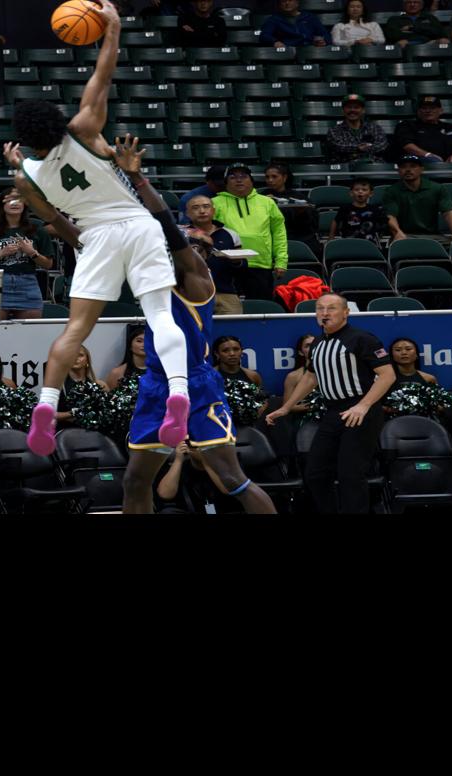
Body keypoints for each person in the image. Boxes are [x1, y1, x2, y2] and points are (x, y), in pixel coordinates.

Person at [5, 0, 193, 457]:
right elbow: (102, 78)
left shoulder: (25, 177)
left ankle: (46, 404)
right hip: (138, 226)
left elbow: (53, 220)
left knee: (75, 330)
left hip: (95, 235)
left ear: (25, 138)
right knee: (161, 316)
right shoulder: (84, 129)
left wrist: (20, 168)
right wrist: (112, 28)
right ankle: (179, 393)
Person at [111, 136, 276, 515]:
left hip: (196, 383)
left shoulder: (197, 279)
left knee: (232, 479)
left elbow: (167, 227)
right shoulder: (158, 280)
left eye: (188, 247)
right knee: (134, 481)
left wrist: (138, 180)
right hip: (157, 383)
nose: (174, 251)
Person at [265, 292, 395, 514]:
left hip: (360, 411)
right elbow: (311, 377)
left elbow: (387, 375)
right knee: (315, 473)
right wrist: (286, 407)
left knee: (351, 474)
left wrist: (363, 405)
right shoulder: (317, 343)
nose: (325, 313)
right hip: (333, 412)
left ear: (346, 312)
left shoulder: (362, 338)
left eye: (331, 308)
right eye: (320, 308)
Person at [0, 189, 57, 320]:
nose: (14, 203)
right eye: (9, 200)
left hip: (27, 284)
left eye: (18, 199)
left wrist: (32, 252)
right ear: (1, 205)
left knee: (30, 331)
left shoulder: (37, 230)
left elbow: (48, 264)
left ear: (25, 204)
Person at [212, 163, 286, 304]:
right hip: (226, 265)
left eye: (243, 176)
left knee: (260, 308)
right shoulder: (213, 203)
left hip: (260, 264)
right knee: (229, 309)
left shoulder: (267, 203)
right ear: (226, 182)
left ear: (251, 181)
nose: (239, 180)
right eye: (233, 177)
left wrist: (281, 261)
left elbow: (279, 233)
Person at [182, 194, 243, 314]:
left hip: (225, 293)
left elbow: (242, 266)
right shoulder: (181, 235)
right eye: (195, 207)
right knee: (194, 325)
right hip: (191, 293)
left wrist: (237, 261)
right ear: (187, 213)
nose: (202, 211)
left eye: (206, 206)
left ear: (213, 211)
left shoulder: (230, 234)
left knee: (233, 325)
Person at [382, 154, 452, 239]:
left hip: (432, 235)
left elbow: (448, 212)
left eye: (413, 166)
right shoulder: (391, 191)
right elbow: (391, 216)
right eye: (403, 167)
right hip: (404, 235)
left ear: (421, 169)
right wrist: (398, 233)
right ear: (399, 171)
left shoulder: (437, 188)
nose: (408, 170)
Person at [390, 95, 452, 164]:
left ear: (440, 111)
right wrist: (428, 155)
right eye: (424, 108)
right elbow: (407, 145)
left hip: (450, 163)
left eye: (432, 108)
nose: (428, 111)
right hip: (420, 163)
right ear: (418, 112)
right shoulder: (407, 125)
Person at [325, 94, 388, 164]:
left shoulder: (375, 128)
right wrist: (359, 148)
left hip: (373, 167)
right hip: (347, 168)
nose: (352, 110)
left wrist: (355, 151)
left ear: (363, 110)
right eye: (349, 107)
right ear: (343, 110)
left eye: (356, 107)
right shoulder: (334, 131)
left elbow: (382, 146)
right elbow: (339, 147)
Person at [54, 344, 103, 428]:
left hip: (92, 431)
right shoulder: (57, 385)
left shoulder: (98, 385)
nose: (76, 358)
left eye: (80, 355)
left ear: (87, 360)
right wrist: (73, 413)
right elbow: (47, 414)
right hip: (65, 432)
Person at [329, 177, 389, 242]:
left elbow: (385, 222)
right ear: (351, 193)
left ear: (371, 194)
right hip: (348, 242)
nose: (360, 192)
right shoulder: (345, 208)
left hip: (368, 243)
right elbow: (336, 221)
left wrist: (380, 235)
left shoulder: (375, 209)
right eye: (357, 190)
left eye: (364, 190)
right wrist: (331, 237)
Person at [259, 0, 329, 48]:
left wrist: (323, 41)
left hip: (309, 49)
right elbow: (264, 36)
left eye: (290, 0)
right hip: (288, 50)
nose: (287, 3)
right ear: (280, 4)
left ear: (297, 2)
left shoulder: (309, 17)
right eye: (283, 1)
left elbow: (325, 34)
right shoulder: (274, 19)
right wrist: (275, 42)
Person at [104, 324, 147, 390]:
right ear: (130, 345)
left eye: (148, 341)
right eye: (139, 341)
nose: (144, 344)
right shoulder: (117, 373)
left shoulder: (160, 371)